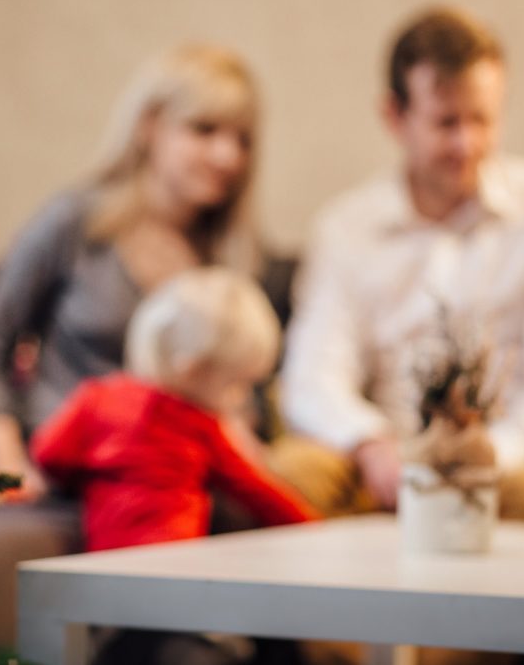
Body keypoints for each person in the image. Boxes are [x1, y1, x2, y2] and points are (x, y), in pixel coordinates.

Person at [280, 6, 524, 520]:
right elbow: (313, 375)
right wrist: (370, 443)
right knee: (290, 475)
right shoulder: (345, 227)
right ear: (394, 116)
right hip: (382, 465)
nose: (467, 144)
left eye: (482, 119)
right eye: (446, 122)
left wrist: (493, 452)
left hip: (512, 465)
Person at [0, 44, 263, 501]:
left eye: (242, 138)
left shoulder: (225, 260)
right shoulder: (73, 222)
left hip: (174, 474)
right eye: (204, 130)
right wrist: (8, 464)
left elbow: (237, 393)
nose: (228, 155)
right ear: (149, 126)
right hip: (72, 466)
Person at [32, 267, 317, 665]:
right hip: (176, 578)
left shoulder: (95, 398)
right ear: (193, 370)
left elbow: (48, 453)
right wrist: (315, 530)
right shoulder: (202, 425)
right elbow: (258, 490)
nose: (240, 399)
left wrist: (82, 480)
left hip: (108, 583)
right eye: (236, 384)